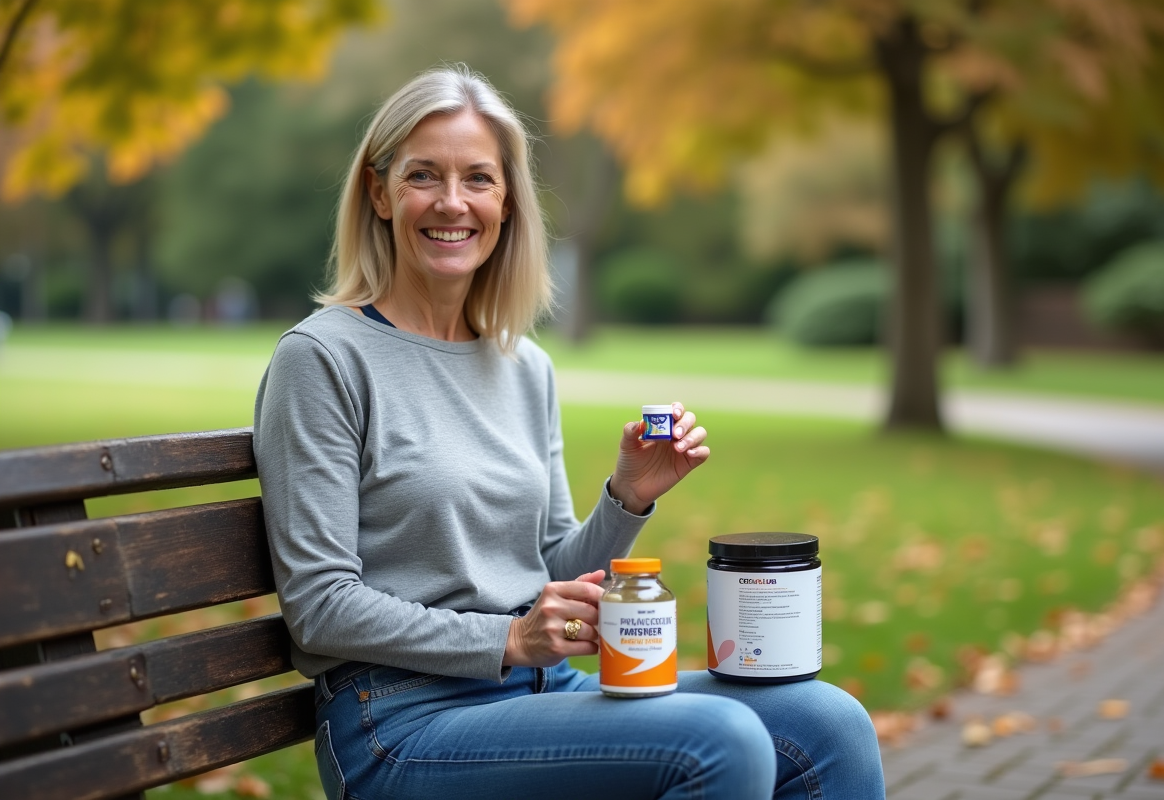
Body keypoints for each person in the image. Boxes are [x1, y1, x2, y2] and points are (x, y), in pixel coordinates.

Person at [254, 64, 885, 800]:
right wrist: (508, 639)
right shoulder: (324, 359)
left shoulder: (523, 367)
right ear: (379, 192)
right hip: (399, 721)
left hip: (540, 688)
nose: (452, 202)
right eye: (424, 175)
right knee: (721, 743)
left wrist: (627, 497)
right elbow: (320, 604)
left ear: (508, 201)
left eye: (478, 179)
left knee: (828, 721)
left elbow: (552, 570)